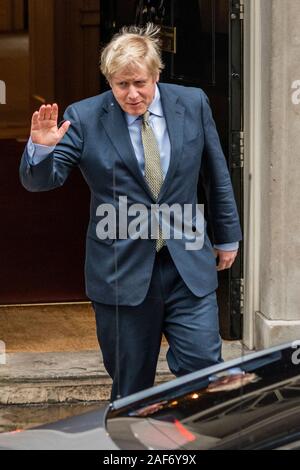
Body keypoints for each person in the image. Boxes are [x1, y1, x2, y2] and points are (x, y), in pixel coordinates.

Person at [20, 23, 242, 401]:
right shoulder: (86, 116)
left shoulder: (192, 103)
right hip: (121, 270)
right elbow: (43, 181)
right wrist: (41, 150)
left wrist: (227, 236)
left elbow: (215, 173)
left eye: (140, 82)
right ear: (109, 81)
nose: (132, 94)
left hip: (186, 261)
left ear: (157, 74)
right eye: (121, 85)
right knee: (131, 387)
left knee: (204, 369)